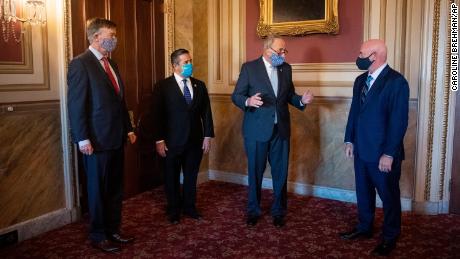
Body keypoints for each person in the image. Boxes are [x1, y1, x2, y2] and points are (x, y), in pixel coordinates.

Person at [67, 18, 136, 253]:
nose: (115, 39)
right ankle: (98, 235)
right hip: (95, 141)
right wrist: (82, 138)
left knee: (115, 188)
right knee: (97, 190)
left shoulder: (112, 64)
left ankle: (113, 229)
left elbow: (120, 102)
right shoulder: (80, 64)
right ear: (96, 37)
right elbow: (77, 105)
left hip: (116, 138)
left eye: (115, 34)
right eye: (111, 34)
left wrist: (128, 128)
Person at [231, 36, 314, 228]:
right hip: (256, 131)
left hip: (281, 130)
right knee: (255, 172)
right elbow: (236, 96)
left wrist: (302, 100)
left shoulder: (286, 69)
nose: (284, 54)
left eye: (285, 51)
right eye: (281, 51)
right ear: (268, 50)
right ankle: (253, 211)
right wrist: (248, 101)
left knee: (280, 173)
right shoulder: (249, 68)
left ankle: (279, 211)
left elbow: (289, 96)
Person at [341, 39, 409, 256]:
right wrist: (349, 140)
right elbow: (354, 113)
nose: (358, 56)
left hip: (382, 154)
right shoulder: (360, 80)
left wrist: (389, 153)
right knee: (363, 193)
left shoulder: (397, 82)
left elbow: (399, 122)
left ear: (374, 56)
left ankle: (390, 237)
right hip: (361, 150)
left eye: (361, 53)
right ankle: (364, 228)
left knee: (389, 197)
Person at [152, 48, 214, 224]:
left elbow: (206, 113)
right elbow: (156, 116)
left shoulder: (199, 85)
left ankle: (190, 206)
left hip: (194, 141)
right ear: (175, 65)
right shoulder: (162, 86)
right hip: (172, 142)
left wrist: (207, 136)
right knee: (171, 177)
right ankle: (173, 209)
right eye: (185, 62)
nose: (189, 65)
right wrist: (159, 140)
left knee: (191, 176)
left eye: (190, 61)